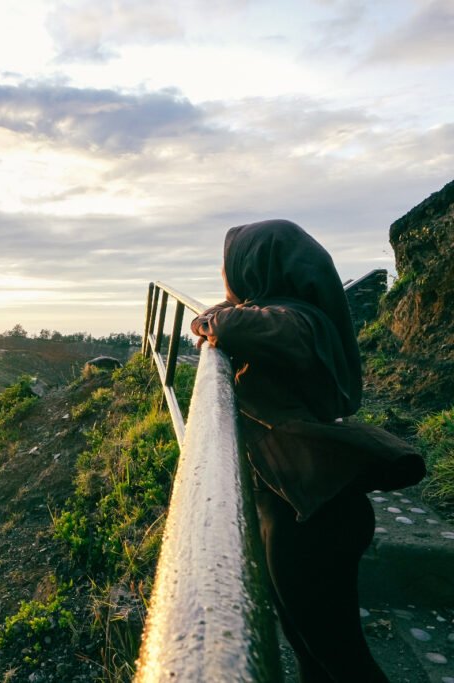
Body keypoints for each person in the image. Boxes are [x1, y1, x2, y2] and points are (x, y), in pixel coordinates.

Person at [190, 219, 422, 682]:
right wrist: (221, 311)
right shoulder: (299, 312)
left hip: (312, 521)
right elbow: (229, 314)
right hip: (303, 504)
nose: (225, 276)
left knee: (343, 661)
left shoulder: (296, 321)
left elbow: (229, 323)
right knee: (310, 656)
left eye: (231, 265)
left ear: (258, 267)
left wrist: (210, 319)